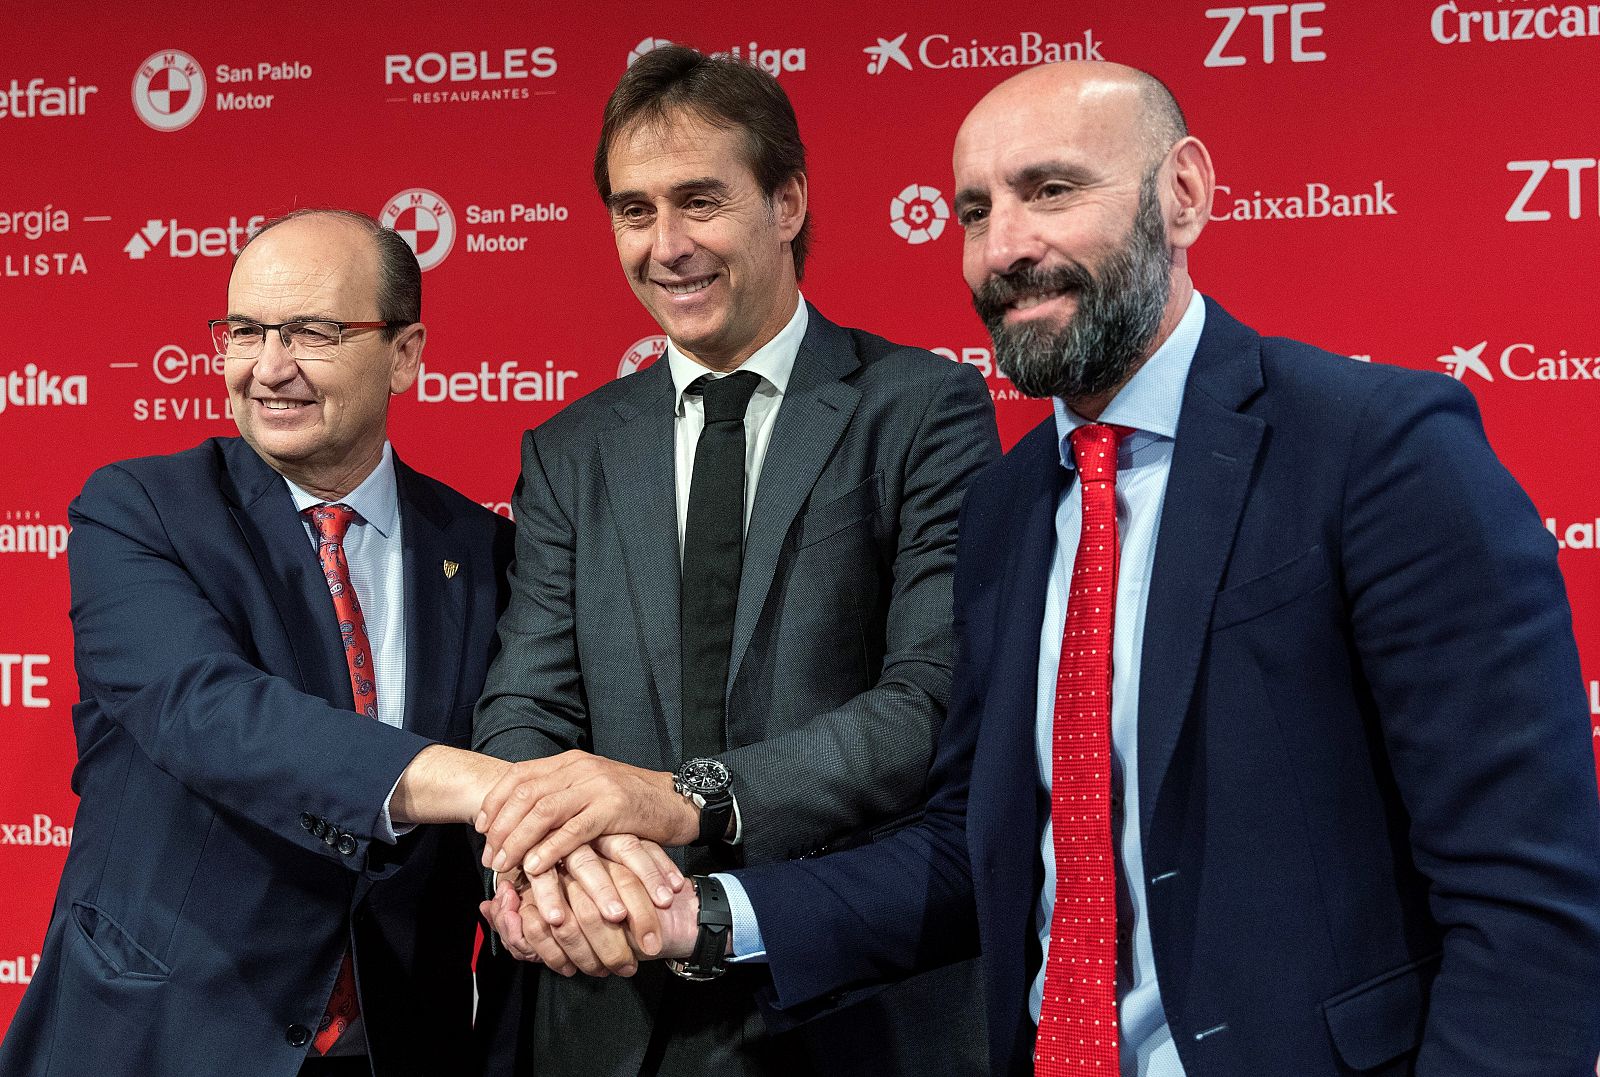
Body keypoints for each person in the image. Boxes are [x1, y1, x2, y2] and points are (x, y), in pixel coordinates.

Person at [512, 61, 1600, 1077]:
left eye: (1050, 191)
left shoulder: (1375, 446)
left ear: (1182, 194)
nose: (1005, 247)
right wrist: (699, 919)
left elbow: (1525, 894)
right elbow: (972, 857)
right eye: (975, 212)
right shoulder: (1010, 507)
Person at [470, 44, 999, 1077]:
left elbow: (929, 696)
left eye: (699, 201)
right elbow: (526, 703)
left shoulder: (922, 410)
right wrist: (568, 868)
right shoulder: (569, 449)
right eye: (634, 211)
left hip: (843, 996)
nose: (666, 246)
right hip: (606, 999)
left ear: (787, 200)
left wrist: (686, 798)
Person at [0, 209, 546, 1077]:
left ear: (405, 352)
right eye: (245, 331)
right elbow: (210, 712)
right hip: (163, 1038)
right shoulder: (139, 510)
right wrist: (485, 784)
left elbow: (527, 735)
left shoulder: (482, 551)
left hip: (395, 1049)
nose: (269, 367)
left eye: (313, 332)